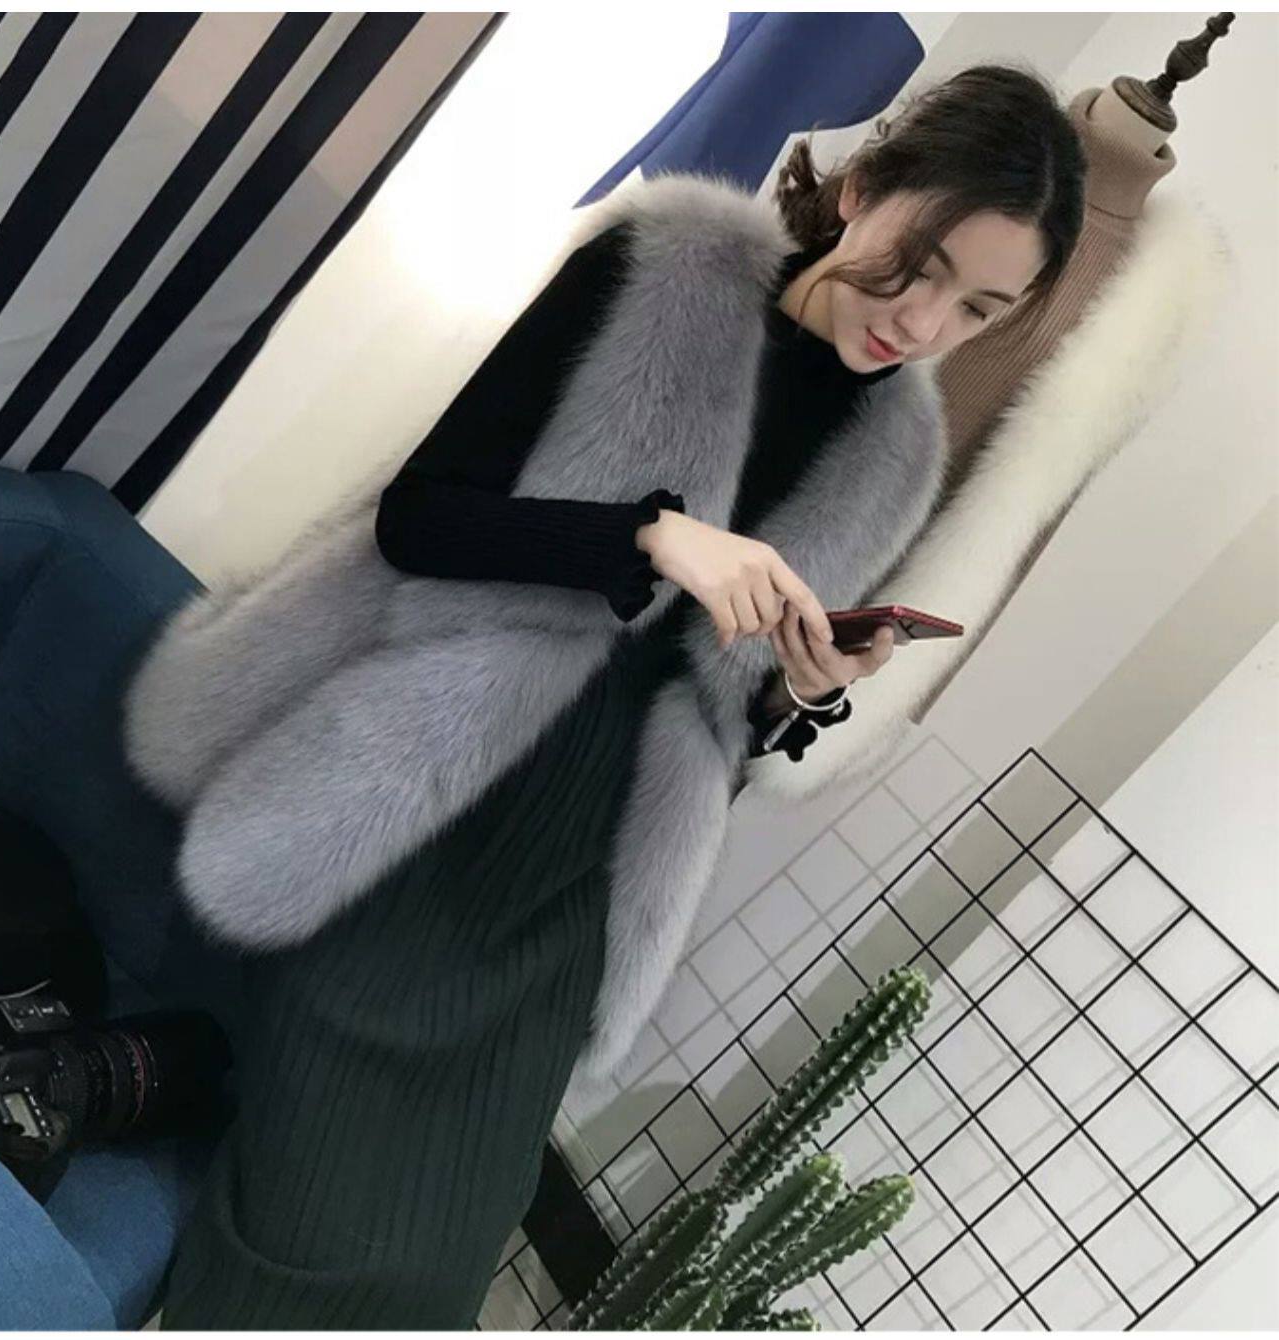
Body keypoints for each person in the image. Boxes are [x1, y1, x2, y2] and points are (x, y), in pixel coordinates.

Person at [155, 62, 1085, 1331]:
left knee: (438, 1261)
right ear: (861, 189)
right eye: (918, 266)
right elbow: (420, 520)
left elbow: (725, 723)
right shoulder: (661, 273)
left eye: (978, 308)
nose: (923, 324)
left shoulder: (896, 456)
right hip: (440, 783)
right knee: (310, 1218)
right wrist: (649, 536)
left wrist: (802, 694)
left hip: (584, 874)